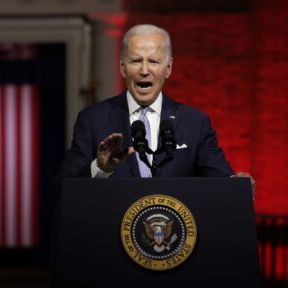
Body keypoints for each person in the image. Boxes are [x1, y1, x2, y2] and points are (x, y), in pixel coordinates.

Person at [57, 24, 235, 179]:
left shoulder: (195, 123)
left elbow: (222, 181)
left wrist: (238, 184)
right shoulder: (93, 120)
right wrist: (101, 168)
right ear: (122, 67)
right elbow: (67, 187)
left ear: (168, 68)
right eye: (136, 60)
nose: (144, 70)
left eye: (153, 61)